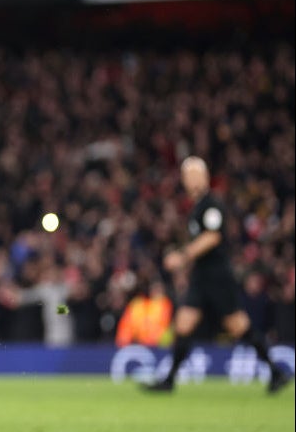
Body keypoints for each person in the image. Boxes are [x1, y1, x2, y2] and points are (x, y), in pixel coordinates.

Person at [144, 156, 291, 393]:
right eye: (187, 175)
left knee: (238, 326)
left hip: (218, 276)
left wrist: (183, 256)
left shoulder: (212, 204)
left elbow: (213, 237)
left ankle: (275, 372)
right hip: (201, 277)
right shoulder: (197, 207)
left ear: (205, 177)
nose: (191, 179)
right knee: (183, 324)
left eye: (195, 174)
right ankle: (169, 380)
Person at [115, 279, 173, 348]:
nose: (157, 291)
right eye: (155, 288)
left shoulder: (165, 304)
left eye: (160, 289)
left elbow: (164, 326)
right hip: (136, 345)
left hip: (159, 346)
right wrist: (123, 343)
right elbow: (126, 326)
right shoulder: (137, 304)